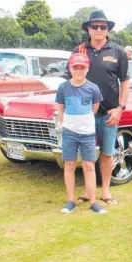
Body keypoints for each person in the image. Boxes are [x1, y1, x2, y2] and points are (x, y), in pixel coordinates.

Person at [64, 10, 131, 206]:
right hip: (84, 114)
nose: (99, 30)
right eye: (95, 26)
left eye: (103, 26)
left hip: (109, 112)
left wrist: (120, 108)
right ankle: (87, 190)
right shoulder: (79, 51)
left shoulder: (117, 51)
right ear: (88, 29)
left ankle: (106, 191)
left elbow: (125, 81)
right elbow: (68, 81)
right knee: (87, 154)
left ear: (108, 28)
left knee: (108, 153)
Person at [55, 53, 107, 214]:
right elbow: (60, 107)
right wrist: (66, 123)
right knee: (69, 165)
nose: (78, 71)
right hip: (69, 132)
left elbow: (95, 108)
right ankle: (71, 201)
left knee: (89, 165)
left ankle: (93, 201)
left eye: (82, 68)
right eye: (75, 68)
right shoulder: (63, 87)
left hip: (87, 133)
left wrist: (83, 122)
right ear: (70, 68)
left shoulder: (93, 88)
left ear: (87, 69)